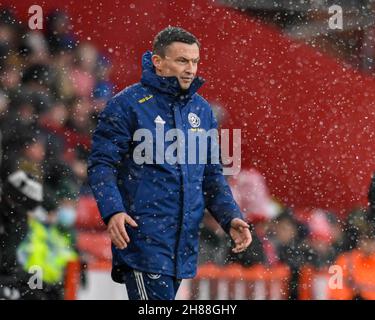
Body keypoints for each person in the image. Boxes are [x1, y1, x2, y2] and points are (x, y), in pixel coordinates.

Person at [88, 26, 252, 300]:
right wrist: (112, 210)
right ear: (158, 62)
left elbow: (212, 176)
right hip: (143, 242)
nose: (191, 69)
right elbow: (101, 164)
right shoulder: (127, 105)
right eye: (182, 60)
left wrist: (229, 216)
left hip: (182, 247)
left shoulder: (202, 110)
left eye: (195, 61)